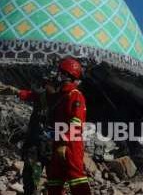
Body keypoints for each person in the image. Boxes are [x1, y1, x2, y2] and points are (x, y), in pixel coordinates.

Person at [46, 57, 92, 195]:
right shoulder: (61, 95)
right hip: (58, 142)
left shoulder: (75, 95)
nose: (57, 76)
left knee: (76, 179)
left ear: (67, 75)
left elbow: (76, 122)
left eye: (60, 73)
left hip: (71, 144)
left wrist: (64, 142)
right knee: (54, 180)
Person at [19, 77, 57, 195]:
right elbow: (28, 95)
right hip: (36, 146)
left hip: (52, 147)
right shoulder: (40, 96)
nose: (45, 87)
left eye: (48, 84)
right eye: (45, 84)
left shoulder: (63, 100)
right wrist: (16, 92)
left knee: (55, 181)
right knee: (30, 177)